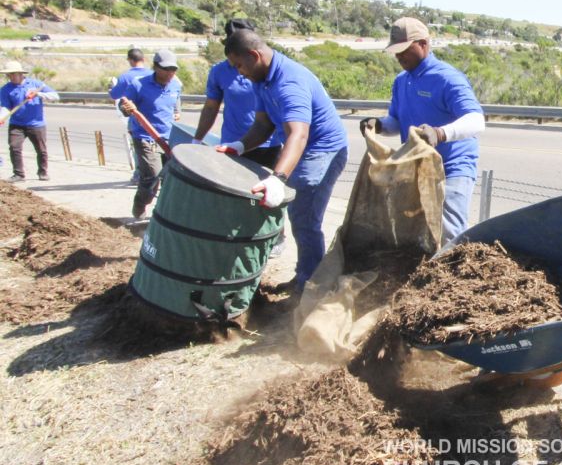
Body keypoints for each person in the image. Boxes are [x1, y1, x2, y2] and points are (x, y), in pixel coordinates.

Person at [217, 28, 348, 291]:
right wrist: (239, 146)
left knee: (304, 219)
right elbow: (263, 124)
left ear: (255, 55)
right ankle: (305, 276)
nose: (239, 72)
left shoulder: (289, 82)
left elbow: (298, 134)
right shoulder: (261, 80)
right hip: (302, 147)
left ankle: (312, 287)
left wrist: (278, 178)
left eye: (239, 65)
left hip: (322, 151)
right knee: (297, 216)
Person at [361, 16, 485, 244]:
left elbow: (476, 120)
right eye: (396, 51)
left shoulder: (447, 79)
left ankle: (455, 267)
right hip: (418, 166)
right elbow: (396, 121)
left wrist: (440, 133)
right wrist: (379, 125)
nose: (399, 56)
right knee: (419, 232)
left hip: (452, 168)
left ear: (423, 44)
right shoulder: (402, 81)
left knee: (449, 232)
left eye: (404, 50)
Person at [193, 19, 280, 167]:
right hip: (231, 145)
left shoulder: (266, 70)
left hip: (267, 145)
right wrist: (197, 140)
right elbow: (210, 108)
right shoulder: (218, 72)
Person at [117, 50, 182, 220]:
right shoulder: (138, 85)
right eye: (166, 69)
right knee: (153, 176)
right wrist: (126, 108)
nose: (170, 73)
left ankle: (165, 215)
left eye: (173, 69)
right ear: (156, 67)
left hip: (168, 138)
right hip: (145, 137)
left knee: (171, 178)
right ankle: (140, 205)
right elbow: (124, 105)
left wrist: (177, 111)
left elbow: (176, 103)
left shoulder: (175, 85)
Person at [1, 60, 59, 182]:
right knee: (14, 147)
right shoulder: (6, 89)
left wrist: (39, 94)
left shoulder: (36, 84)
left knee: (41, 150)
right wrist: (2, 117)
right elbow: (6, 107)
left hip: (36, 124)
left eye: (13, 74)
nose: (11, 77)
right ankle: (18, 174)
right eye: (9, 74)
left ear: (20, 73)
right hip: (17, 124)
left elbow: (55, 96)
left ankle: (43, 172)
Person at [108, 48, 153, 184]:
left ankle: (139, 174)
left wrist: (110, 88)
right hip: (154, 115)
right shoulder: (153, 74)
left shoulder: (126, 77)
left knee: (139, 145)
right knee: (156, 145)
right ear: (143, 59)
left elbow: (114, 95)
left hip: (136, 117)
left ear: (130, 60)